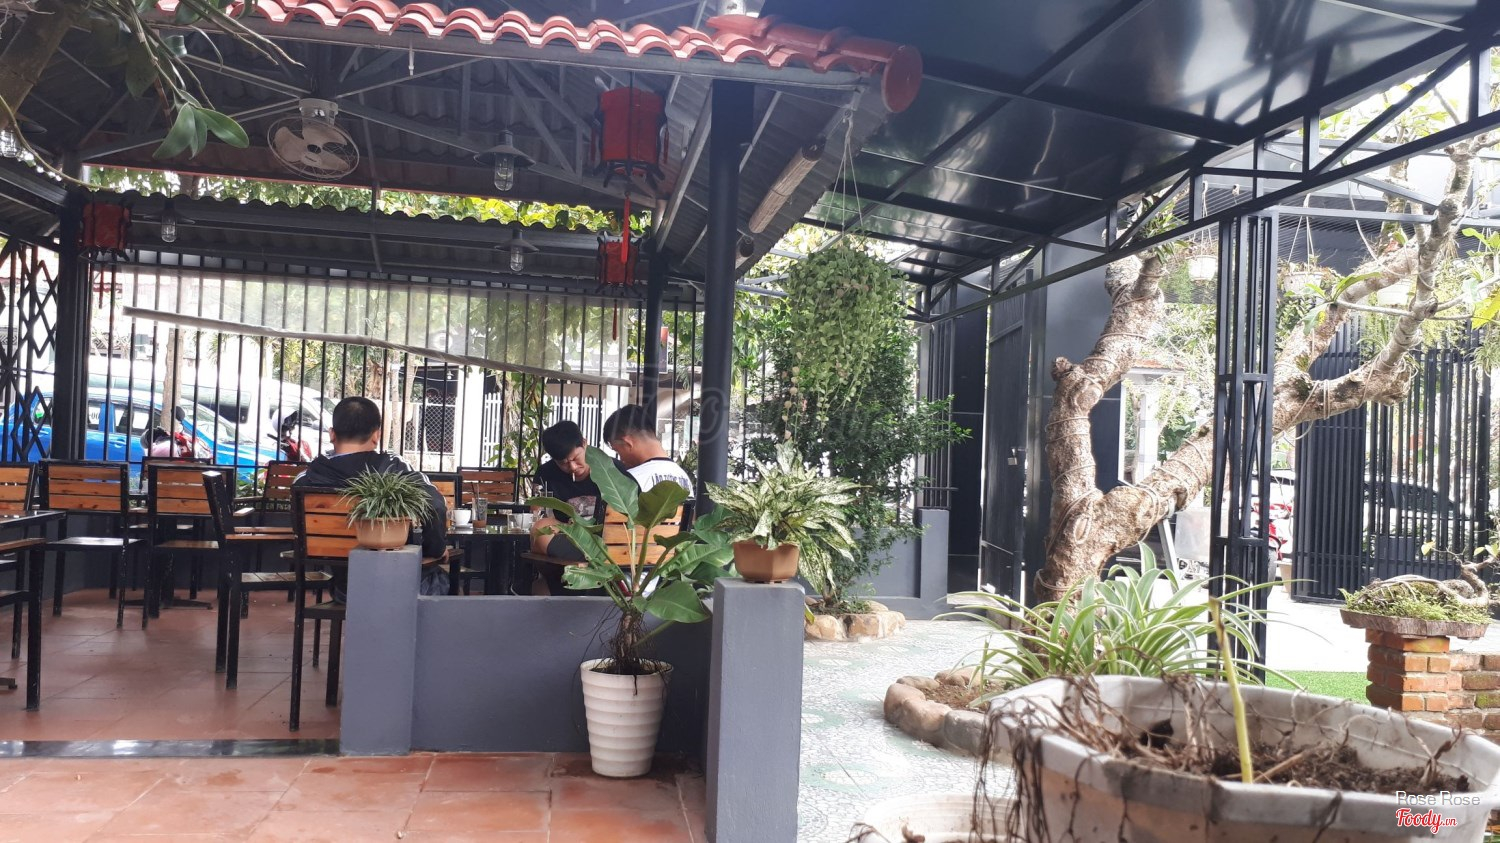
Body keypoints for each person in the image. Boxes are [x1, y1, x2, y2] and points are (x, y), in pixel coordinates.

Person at [294, 396, 448, 598]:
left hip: (346, 590)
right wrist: (436, 550)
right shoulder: (397, 469)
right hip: (401, 586)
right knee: (439, 578)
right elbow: (435, 506)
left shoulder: (306, 479)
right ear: (376, 435)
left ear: (332, 434)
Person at [602, 404, 692, 494]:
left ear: (627, 443)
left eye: (618, 451)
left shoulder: (630, 480)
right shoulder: (684, 477)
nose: (621, 459)